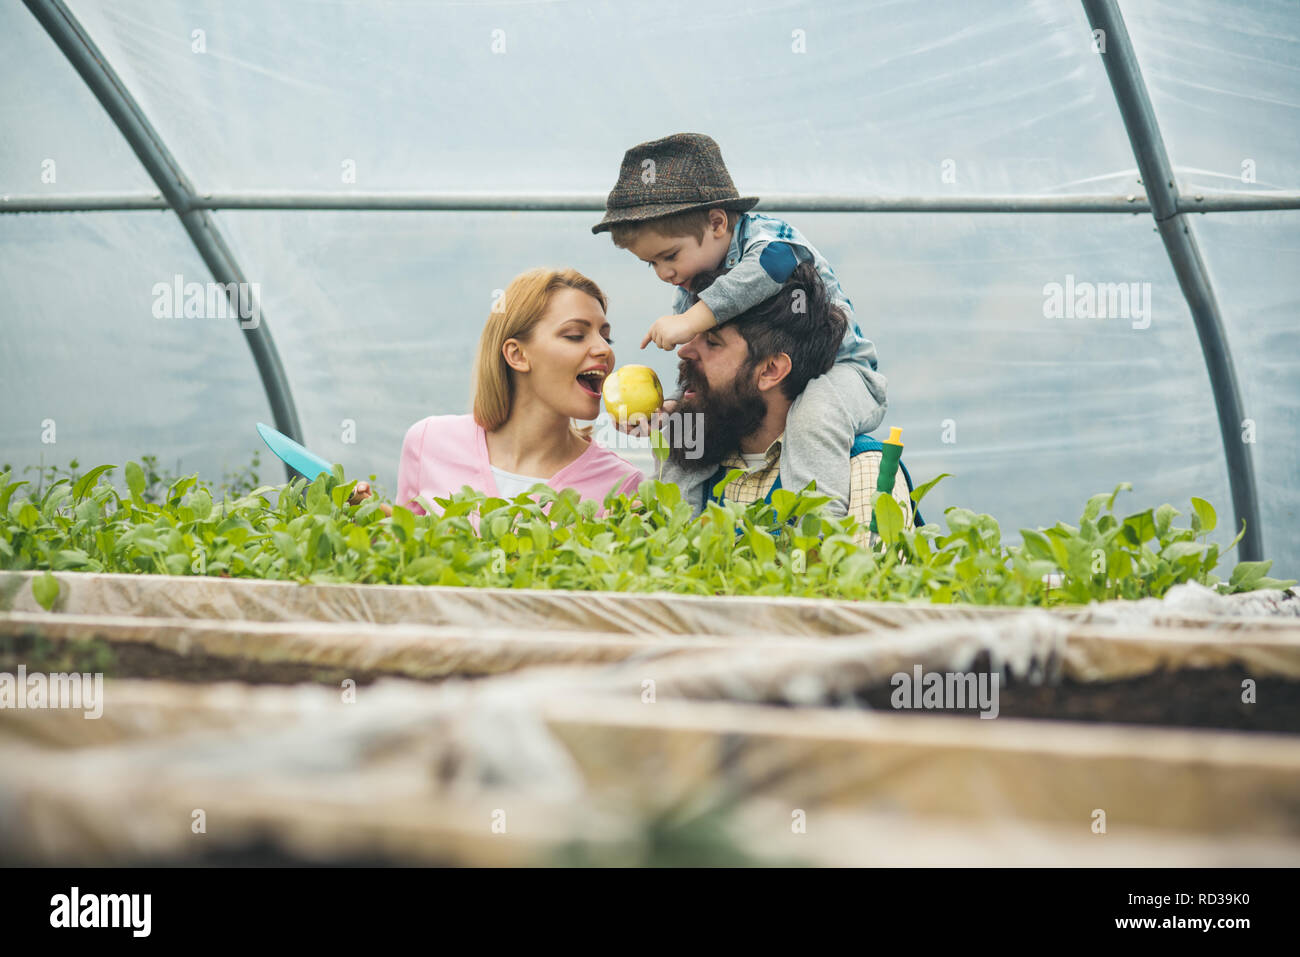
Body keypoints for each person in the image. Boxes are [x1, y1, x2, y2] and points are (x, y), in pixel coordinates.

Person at [592, 132, 888, 518]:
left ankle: (817, 540)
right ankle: (675, 534)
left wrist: (691, 319)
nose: (664, 273)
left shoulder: (765, 239)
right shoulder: (692, 281)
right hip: (763, 386)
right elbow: (706, 377)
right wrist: (672, 414)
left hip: (844, 374)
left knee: (814, 418)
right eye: (651, 264)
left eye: (669, 256)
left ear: (717, 223)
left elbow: (777, 265)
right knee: (687, 428)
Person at [654, 262, 914, 546]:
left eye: (713, 342)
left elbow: (869, 588)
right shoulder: (686, 457)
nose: (685, 351)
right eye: (692, 335)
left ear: (770, 370)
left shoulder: (865, 471)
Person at [350, 267, 643, 516]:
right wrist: (376, 522)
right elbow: (409, 561)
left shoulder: (623, 485)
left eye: (606, 337)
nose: (604, 349)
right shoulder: (428, 442)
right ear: (517, 355)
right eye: (575, 335)